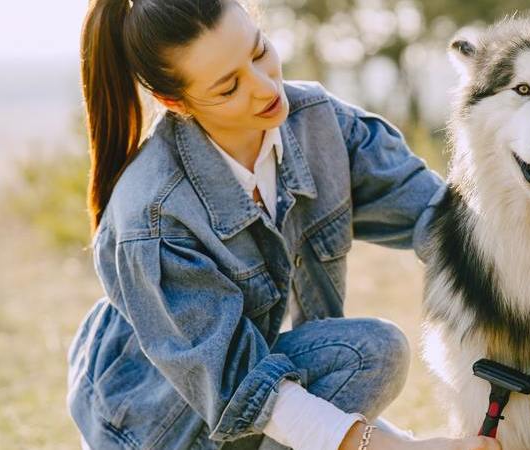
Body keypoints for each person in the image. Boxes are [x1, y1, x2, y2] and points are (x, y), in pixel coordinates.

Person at [67, 0, 502, 449]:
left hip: (251, 400)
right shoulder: (154, 217)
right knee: (369, 351)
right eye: (229, 87)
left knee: (369, 352)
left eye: (258, 52)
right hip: (157, 428)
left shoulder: (318, 123)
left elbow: (444, 221)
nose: (264, 87)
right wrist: (402, 448)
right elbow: (238, 384)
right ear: (174, 101)